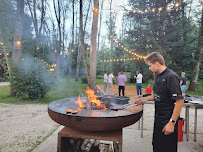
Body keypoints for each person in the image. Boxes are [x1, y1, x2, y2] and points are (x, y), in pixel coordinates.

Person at [134, 52, 184, 152]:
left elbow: (180, 101)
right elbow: (156, 95)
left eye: (150, 65)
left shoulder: (171, 76)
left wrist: (172, 123)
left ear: (157, 64)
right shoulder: (157, 76)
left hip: (168, 120)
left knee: (166, 148)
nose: (149, 68)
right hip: (158, 119)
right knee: (157, 146)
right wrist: (143, 99)